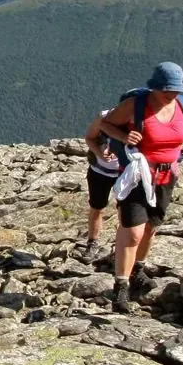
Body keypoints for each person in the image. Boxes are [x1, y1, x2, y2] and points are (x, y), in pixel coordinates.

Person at [94, 62, 183, 311]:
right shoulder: (136, 106)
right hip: (136, 175)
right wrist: (124, 137)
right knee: (132, 231)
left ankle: (138, 271)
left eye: (177, 90)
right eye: (168, 90)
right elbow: (104, 123)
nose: (173, 94)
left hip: (167, 177)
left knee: (151, 228)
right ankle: (121, 287)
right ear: (154, 88)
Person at [81, 108, 122, 259]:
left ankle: (123, 247)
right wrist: (100, 154)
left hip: (125, 173)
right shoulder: (104, 117)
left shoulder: (140, 122)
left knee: (125, 210)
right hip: (99, 172)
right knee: (97, 207)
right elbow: (90, 138)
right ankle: (92, 242)